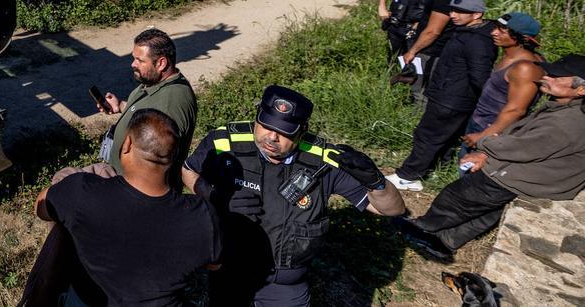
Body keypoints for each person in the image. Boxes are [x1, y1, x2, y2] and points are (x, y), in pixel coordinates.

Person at [183, 85, 405, 306]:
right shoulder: (224, 142)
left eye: (283, 131)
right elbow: (187, 169)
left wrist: (376, 183)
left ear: (303, 129)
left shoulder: (324, 161)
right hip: (230, 271)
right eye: (266, 125)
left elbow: (391, 210)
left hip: (284, 284)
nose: (272, 137)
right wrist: (212, 194)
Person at [394, 54, 585, 261]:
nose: (546, 77)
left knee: (458, 197)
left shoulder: (567, 122)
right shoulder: (569, 109)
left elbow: (523, 147)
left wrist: (485, 144)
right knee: (486, 214)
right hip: (542, 180)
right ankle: (444, 243)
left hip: (521, 176)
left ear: (581, 89)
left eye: (557, 77)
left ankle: (422, 228)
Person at [25, 109, 223, 306]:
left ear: (127, 144)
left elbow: (41, 208)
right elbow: (213, 264)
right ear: (172, 157)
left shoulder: (82, 191)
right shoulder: (202, 215)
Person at [387, 0, 497, 192]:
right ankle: (437, 168)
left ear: (477, 14)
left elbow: (479, 76)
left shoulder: (478, 41)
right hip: (449, 94)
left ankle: (408, 176)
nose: (453, 15)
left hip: (452, 99)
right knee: (444, 136)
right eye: (452, 11)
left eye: (459, 12)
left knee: (427, 135)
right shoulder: (468, 31)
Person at [95, 28, 197, 176]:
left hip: (133, 189)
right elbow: (148, 114)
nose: (133, 64)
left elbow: (156, 164)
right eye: (134, 58)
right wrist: (121, 106)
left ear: (161, 63)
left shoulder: (172, 103)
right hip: (120, 179)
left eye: (140, 60)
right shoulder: (154, 82)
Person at [461, 12, 543, 153]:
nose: (493, 32)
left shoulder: (525, 68)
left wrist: (483, 135)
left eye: (502, 30)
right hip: (480, 120)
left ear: (520, 37)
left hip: (493, 129)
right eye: (496, 27)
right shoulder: (510, 56)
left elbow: (516, 109)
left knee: (471, 171)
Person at [400, 0, 468, 101]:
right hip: (440, 49)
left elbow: (433, 31)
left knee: (420, 91)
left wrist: (412, 51)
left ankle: (416, 120)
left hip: (431, 51)